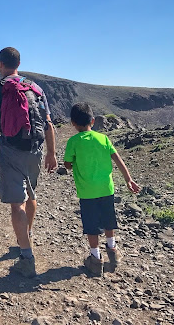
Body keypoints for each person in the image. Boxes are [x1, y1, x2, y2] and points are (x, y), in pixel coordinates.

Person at [0, 47, 58, 277]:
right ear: (19, 63)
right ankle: (27, 235)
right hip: (35, 148)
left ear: (0, 64)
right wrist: (51, 153)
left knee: (17, 203)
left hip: (11, 149)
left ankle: (26, 256)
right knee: (32, 195)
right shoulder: (35, 88)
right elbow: (48, 123)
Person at [63, 103, 141, 276]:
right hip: (107, 189)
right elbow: (118, 159)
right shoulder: (104, 138)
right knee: (108, 220)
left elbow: (67, 165)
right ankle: (113, 252)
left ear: (73, 123)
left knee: (91, 225)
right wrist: (128, 179)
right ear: (93, 120)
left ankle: (96, 259)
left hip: (87, 192)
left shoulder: (73, 142)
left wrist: (73, 163)